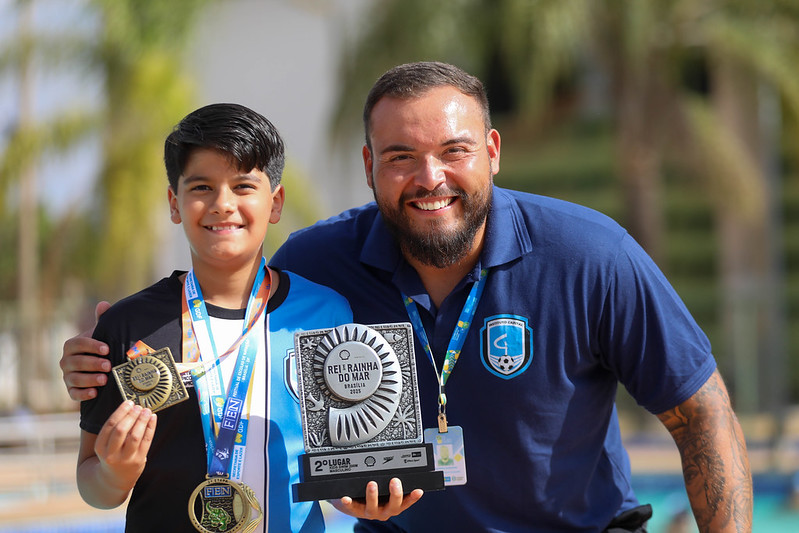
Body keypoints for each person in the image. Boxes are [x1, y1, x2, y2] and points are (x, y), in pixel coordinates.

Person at [62, 63, 753, 532]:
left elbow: (701, 415)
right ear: (368, 166)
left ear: (491, 150)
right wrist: (102, 356)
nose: (430, 178)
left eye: (453, 151)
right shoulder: (317, 267)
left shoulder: (590, 255)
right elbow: (222, 315)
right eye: (399, 157)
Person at [73, 103, 413, 533]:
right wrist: (113, 474)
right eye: (201, 187)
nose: (222, 204)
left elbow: (336, 476)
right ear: (174, 203)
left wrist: (362, 498)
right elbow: (92, 483)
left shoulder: (326, 316)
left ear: (275, 202)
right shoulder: (130, 325)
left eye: (243, 186)